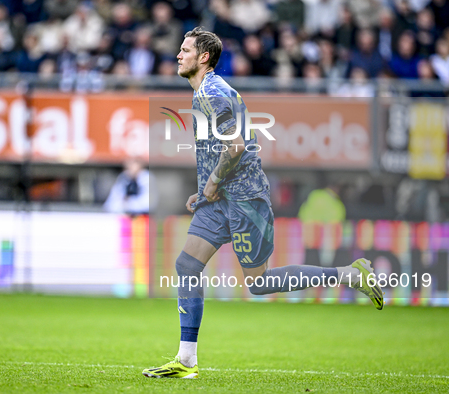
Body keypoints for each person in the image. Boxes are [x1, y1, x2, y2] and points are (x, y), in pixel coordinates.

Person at [142, 27, 384, 380]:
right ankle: (186, 360)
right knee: (187, 265)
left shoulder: (212, 93)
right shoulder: (206, 93)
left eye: (185, 50)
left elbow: (236, 146)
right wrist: (206, 189)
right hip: (220, 199)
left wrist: (211, 184)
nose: (178, 55)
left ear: (204, 57)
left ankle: (349, 274)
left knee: (259, 283)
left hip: (245, 200)